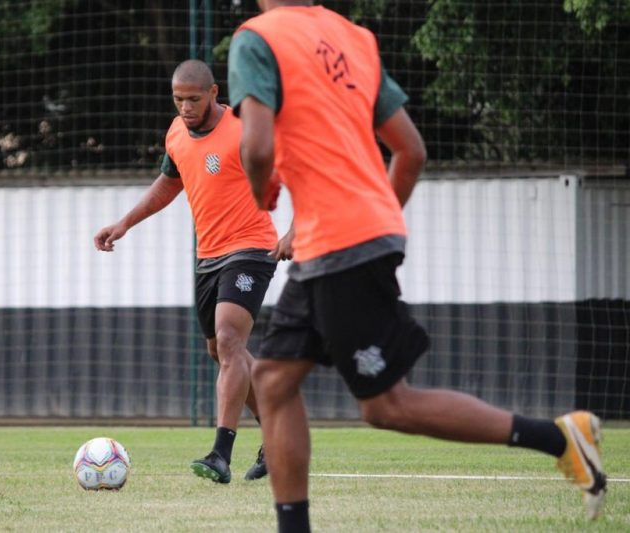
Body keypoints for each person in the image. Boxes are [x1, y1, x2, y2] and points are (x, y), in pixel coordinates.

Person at [228, 1, 607, 531]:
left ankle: (561, 438)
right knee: (271, 382)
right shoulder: (353, 38)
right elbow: (410, 152)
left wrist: (263, 190)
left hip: (340, 245)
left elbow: (258, 145)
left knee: (388, 406)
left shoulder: (256, 38)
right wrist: (372, 218)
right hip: (332, 242)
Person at [95, 59, 293, 484]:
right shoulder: (175, 133)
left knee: (228, 339)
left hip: (253, 247)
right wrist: (124, 223)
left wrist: (298, 229)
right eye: (178, 99)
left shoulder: (244, 127)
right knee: (221, 351)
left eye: (193, 99)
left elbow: (301, 170)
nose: (185, 107)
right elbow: (169, 183)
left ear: (214, 93)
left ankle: (220, 453)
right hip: (208, 257)